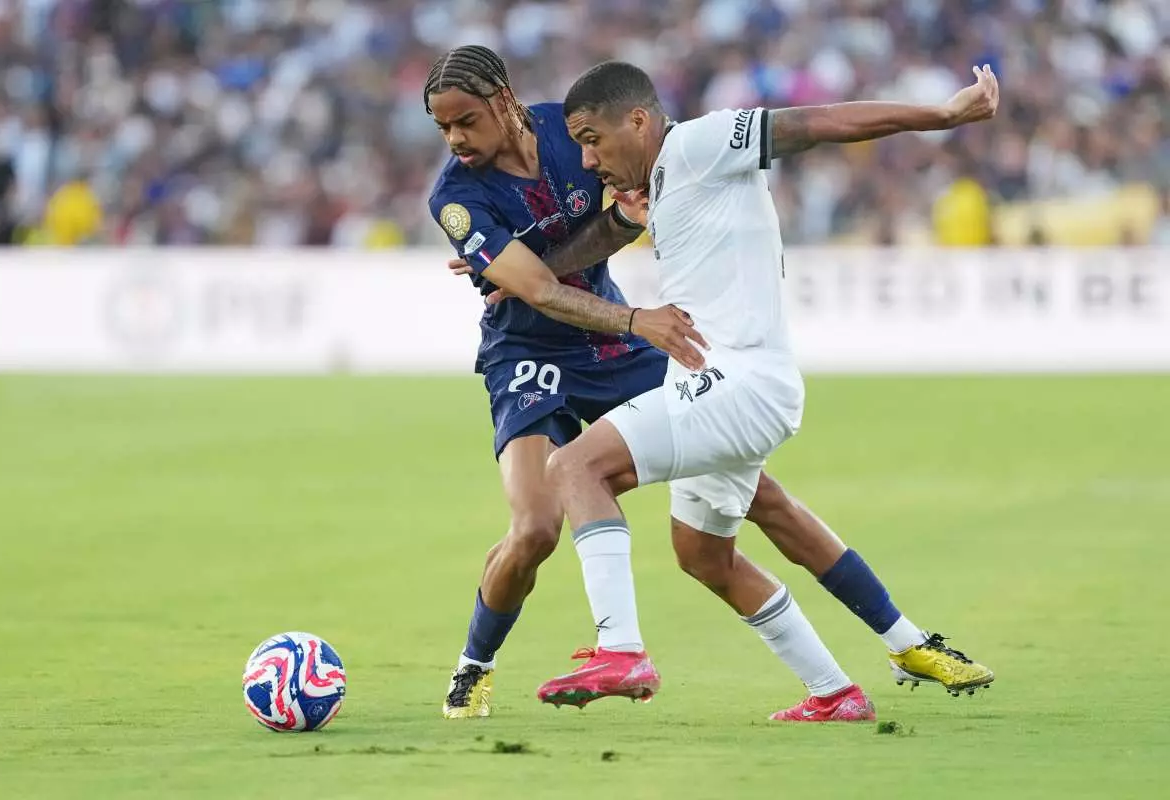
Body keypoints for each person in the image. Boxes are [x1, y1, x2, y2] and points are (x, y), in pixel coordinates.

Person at [425, 45, 993, 721]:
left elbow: (812, 124)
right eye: (442, 128)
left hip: (654, 348)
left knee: (605, 473)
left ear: (505, 103)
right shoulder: (462, 196)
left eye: (464, 121)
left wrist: (939, 114)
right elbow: (542, 285)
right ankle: (850, 682)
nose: (455, 139)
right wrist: (606, 264)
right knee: (618, 540)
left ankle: (626, 649)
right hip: (536, 348)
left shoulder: (646, 140)